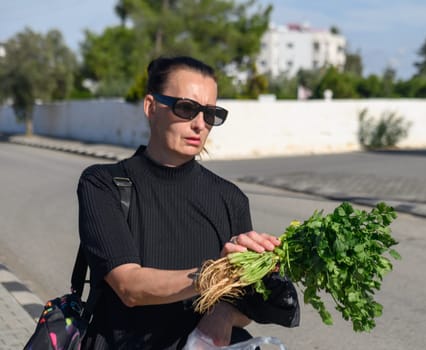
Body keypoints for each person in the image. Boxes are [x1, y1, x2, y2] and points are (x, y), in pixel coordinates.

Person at [77, 55, 284, 349]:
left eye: (210, 114)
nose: (200, 124)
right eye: (186, 108)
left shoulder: (230, 198)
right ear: (151, 107)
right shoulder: (103, 184)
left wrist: (226, 313)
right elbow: (129, 286)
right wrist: (217, 273)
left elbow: (241, 303)